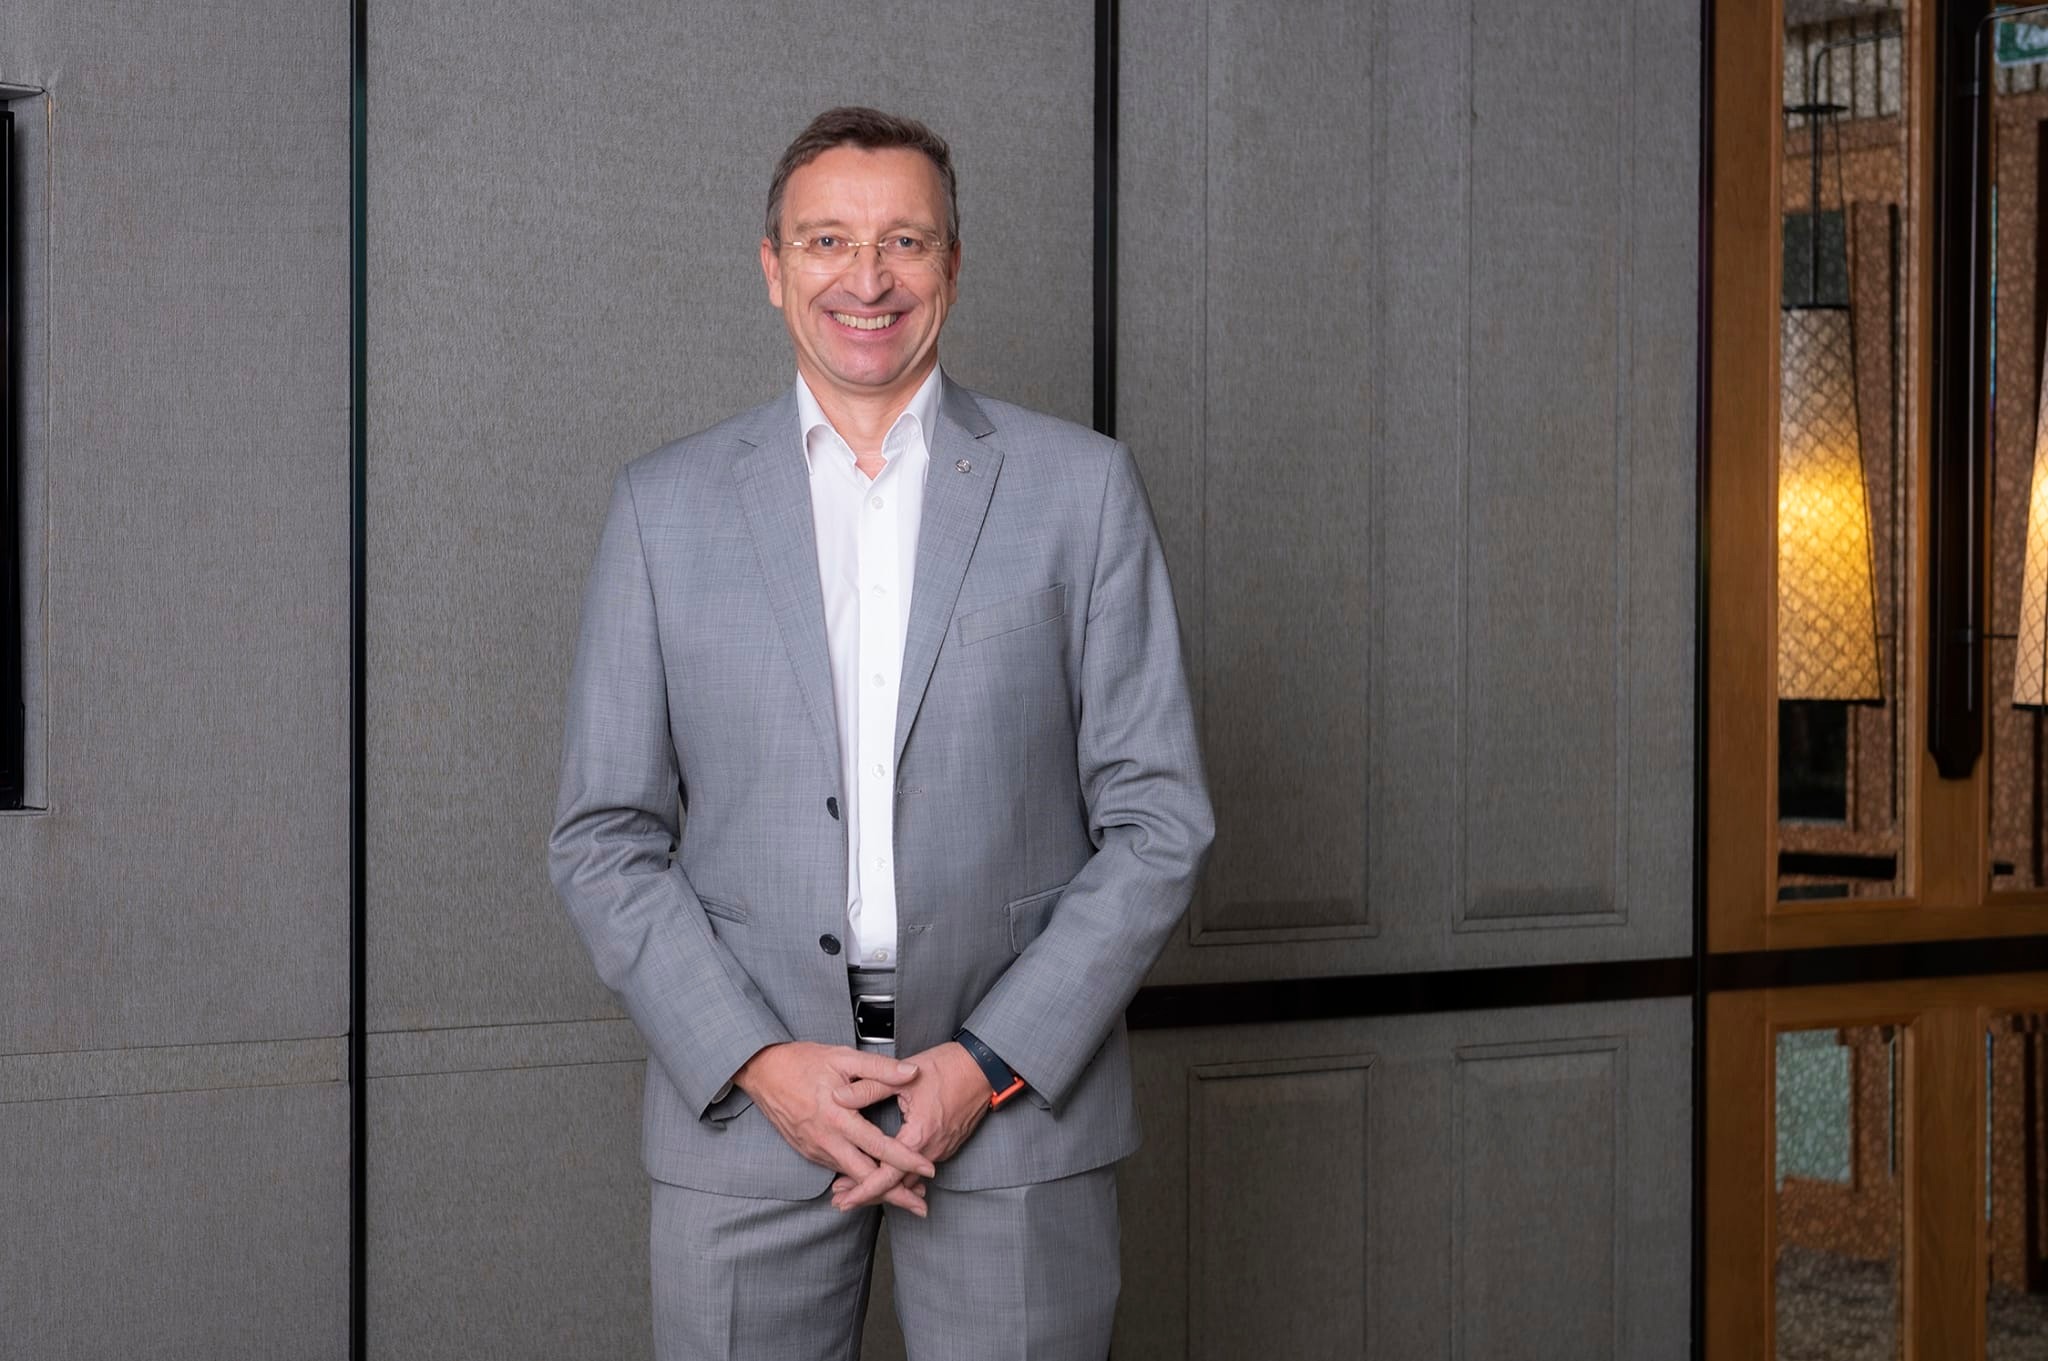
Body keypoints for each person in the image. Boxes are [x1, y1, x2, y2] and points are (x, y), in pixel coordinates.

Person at [550, 105, 1212, 1361]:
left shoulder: (1080, 491)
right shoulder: (660, 510)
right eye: (827, 241)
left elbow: (1159, 821)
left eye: (903, 240)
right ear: (771, 267)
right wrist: (756, 1060)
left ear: (950, 265)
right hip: (747, 1118)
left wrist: (984, 1063)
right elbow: (602, 838)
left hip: (1015, 1112)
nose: (867, 278)